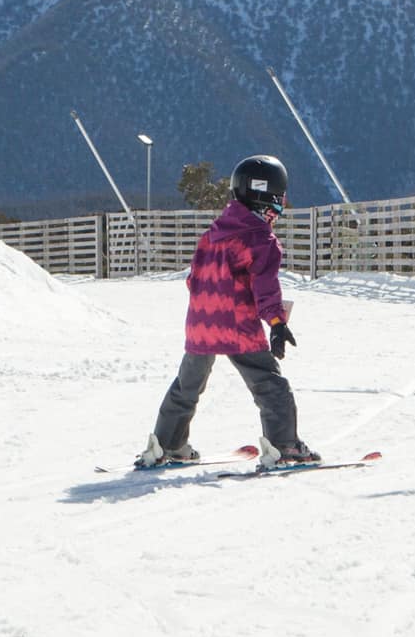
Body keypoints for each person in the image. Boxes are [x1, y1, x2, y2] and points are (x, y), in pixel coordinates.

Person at [135, 154, 319, 469]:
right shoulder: (261, 239)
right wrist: (276, 322)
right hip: (237, 325)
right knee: (269, 384)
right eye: (278, 200)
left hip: (201, 325)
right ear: (267, 199)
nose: (280, 208)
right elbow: (264, 286)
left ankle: (167, 444)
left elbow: (194, 280)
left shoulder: (212, 235)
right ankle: (284, 447)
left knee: (186, 387)